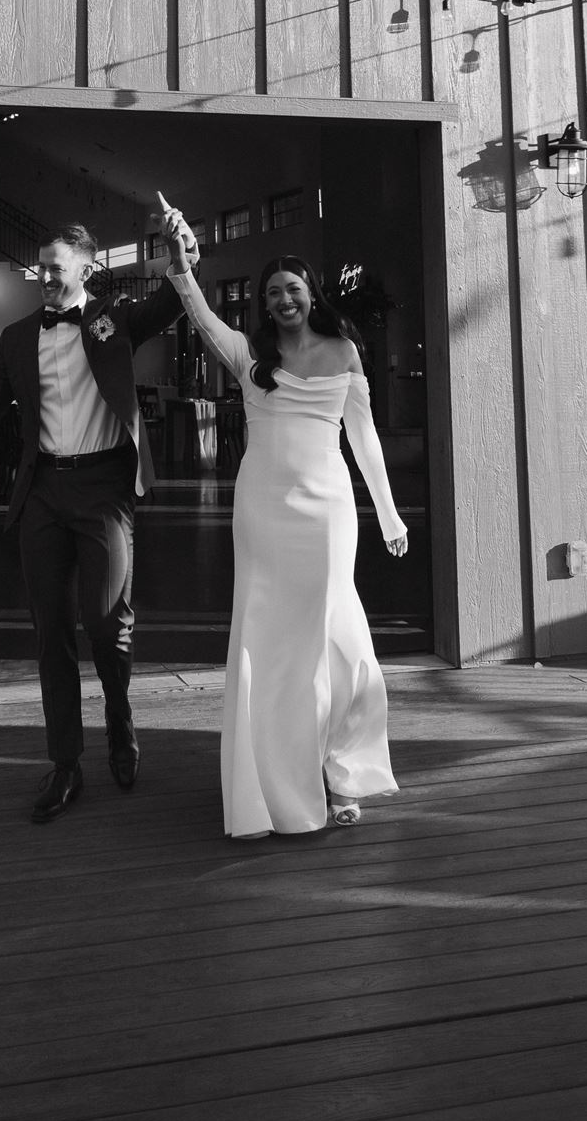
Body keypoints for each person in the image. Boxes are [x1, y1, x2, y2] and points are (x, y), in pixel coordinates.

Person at [0, 222, 196, 823]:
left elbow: (173, 302)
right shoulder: (19, 337)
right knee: (52, 633)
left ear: (85, 268)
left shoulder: (114, 320)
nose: (45, 276)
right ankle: (66, 763)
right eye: (41, 268)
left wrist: (181, 259)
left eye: (56, 266)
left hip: (104, 489)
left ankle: (120, 722)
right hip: (43, 492)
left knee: (105, 624)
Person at [161, 202, 408, 837]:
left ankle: (337, 769)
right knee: (269, 647)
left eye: (292, 289)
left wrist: (387, 513)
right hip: (263, 510)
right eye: (272, 293)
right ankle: (275, 788)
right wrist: (182, 263)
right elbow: (202, 316)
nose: (282, 300)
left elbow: (366, 437)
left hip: (327, 511)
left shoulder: (345, 350)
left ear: (310, 294)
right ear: (264, 305)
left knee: (334, 644)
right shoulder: (249, 355)